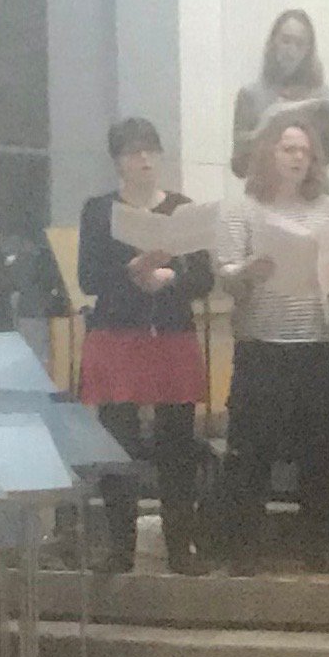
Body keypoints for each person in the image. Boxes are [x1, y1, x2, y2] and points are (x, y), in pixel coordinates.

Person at [74, 115, 215, 574]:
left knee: (177, 442)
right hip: (117, 335)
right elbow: (88, 278)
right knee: (119, 442)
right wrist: (132, 273)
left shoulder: (182, 207)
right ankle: (120, 547)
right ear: (118, 160)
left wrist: (170, 277)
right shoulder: (99, 211)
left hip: (170, 334)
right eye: (134, 152)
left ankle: (180, 547)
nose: (144, 159)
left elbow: (204, 277)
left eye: (151, 150)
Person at [218, 116, 329, 566]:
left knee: (319, 449)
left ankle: (315, 543)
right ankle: (244, 546)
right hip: (263, 342)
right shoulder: (242, 207)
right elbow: (226, 275)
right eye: (287, 149)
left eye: (304, 150)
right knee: (252, 448)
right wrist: (248, 273)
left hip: (317, 342)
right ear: (268, 154)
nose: (297, 157)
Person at [228, 8, 329, 178]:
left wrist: (326, 133)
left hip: (311, 195)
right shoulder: (250, 95)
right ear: (273, 42)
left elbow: (328, 158)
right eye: (286, 41)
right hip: (265, 196)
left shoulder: (320, 95)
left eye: (300, 44)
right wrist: (264, 132)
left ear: (308, 50)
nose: (291, 50)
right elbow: (238, 167)